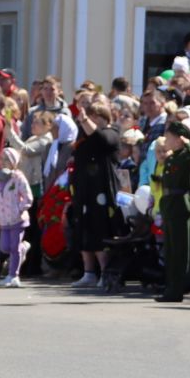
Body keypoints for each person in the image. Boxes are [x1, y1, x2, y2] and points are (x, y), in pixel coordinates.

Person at [68, 97, 122, 288]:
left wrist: (85, 120)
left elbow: (102, 139)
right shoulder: (83, 136)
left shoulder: (112, 132)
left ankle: (105, 272)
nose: (90, 120)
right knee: (84, 230)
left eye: (94, 116)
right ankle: (88, 272)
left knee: (100, 230)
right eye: (89, 116)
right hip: (84, 190)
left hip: (102, 190)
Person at [152, 117, 190, 303]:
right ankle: (171, 288)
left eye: (169, 137)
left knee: (180, 251)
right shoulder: (172, 157)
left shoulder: (186, 156)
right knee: (171, 250)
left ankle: (177, 289)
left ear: (179, 139)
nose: (166, 141)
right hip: (169, 203)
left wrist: (188, 145)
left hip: (181, 204)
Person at [0, 147, 33, 288]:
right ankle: (23, 248)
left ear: (13, 162)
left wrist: (19, 209)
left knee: (14, 248)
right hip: (3, 219)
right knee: (4, 247)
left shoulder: (18, 177)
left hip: (17, 219)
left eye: (7, 160)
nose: (3, 162)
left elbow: (28, 197)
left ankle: (13, 275)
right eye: (1, 159)